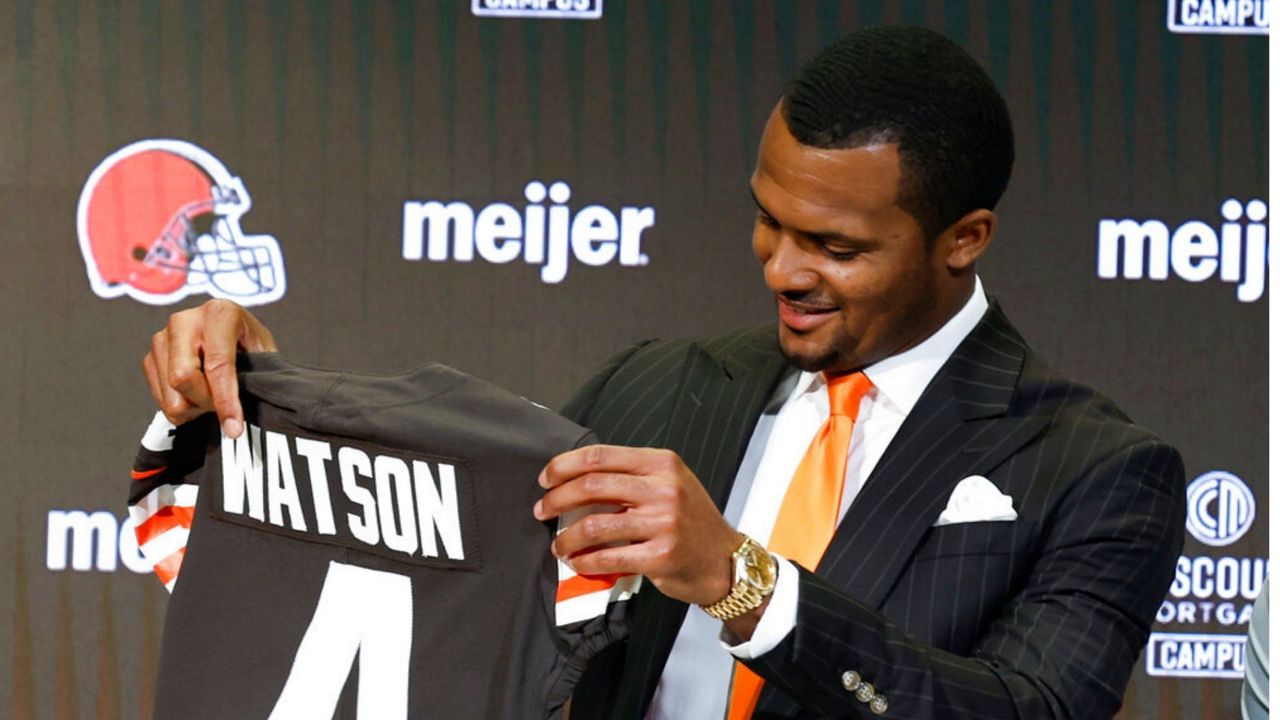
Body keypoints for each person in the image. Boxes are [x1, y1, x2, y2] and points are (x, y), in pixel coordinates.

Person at [143, 26, 1185, 720]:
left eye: (833, 245)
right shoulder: (659, 386)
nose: (780, 268)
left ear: (962, 239)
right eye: (767, 220)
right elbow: (436, 543)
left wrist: (742, 581)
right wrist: (273, 401)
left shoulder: (1097, 470)